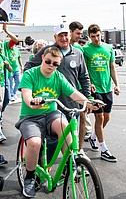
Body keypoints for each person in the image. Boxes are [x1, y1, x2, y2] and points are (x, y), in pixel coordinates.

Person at [16, 47, 96, 198]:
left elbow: (73, 93)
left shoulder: (58, 77)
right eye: (48, 62)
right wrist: (32, 101)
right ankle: (30, 178)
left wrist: (89, 103)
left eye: (55, 64)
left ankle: (71, 163)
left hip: (50, 115)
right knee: (34, 143)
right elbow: (26, 95)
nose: (51, 66)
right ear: (42, 59)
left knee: (64, 125)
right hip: (30, 117)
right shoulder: (30, 74)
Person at [24, 23, 92, 158]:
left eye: (65, 35)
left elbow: (84, 77)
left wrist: (87, 98)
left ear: (70, 35)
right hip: (51, 104)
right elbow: (29, 66)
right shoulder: (48, 51)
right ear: (55, 37)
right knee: (52, 142)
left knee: (70, 140)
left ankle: (68, 170)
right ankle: (45, 169)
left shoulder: (78, 53)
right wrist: (32, 88)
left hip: (71, 104)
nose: (63, 38)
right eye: (60, 35)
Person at [83, 24, 120, 162]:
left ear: (101, 34)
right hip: (95, 89)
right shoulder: (86, 49)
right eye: (93, 37)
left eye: (98, 36)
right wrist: (89, 84)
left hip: (107, 88)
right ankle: (104, 149)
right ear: (89, 37)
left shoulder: (108, 48)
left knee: (107, 118)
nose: (96, 39)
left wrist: (116, 84)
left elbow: (112, 67)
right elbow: (84, 69)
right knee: (99, 118)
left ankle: (93, 137)